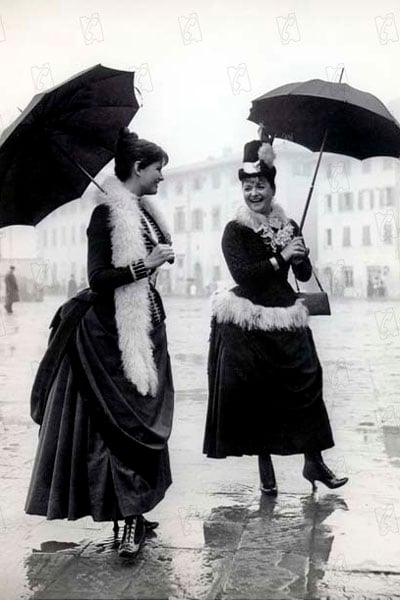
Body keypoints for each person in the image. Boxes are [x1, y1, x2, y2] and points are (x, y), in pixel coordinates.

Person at [25, 128, 175, 559]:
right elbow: (98, 278)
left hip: (144, 329)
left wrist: (155, 262)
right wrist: (144, 265)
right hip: (108, 340)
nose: (162, 177)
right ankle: (124, 521)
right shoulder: (106, 216)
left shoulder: (143, 213)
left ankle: (139, 509)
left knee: (144, 421)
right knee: (118, 430)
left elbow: (142, 270)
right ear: (138, 168)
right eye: (158, 168)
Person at [203, 137, 348, 495]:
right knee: (258, 396)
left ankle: (313, 461)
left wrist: (299, 257)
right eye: (248, 187)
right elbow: (244, 275)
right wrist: (281, 256)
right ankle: (265, 471)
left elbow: (300, 276)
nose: (254, 193)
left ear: (272, 188)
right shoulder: (235, 230)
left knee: (309, 382)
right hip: (249, 320)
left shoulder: (288, 225)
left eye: (261, 186)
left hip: (286, 314)